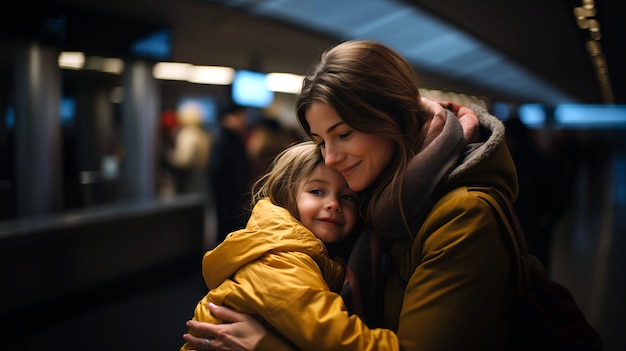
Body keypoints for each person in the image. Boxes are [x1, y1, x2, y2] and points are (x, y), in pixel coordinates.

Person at [184, 40, 520, 351]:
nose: (330, 158)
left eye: (343, 134)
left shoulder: (464, 214)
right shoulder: (380, 198)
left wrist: (266, 346)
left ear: (394, 118)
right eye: (320, 141)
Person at [182, 141, 404, 351]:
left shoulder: (311, 254)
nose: (334, 204)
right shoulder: (279, 260)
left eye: (347, 196)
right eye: (317, 191)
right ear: (287, 194)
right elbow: (335, 337)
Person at [207, 102, 253, 245]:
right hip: (228, 200)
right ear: (228, 118)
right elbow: (216, 172)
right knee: (226, 235)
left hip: (233, 199)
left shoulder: (233, 139)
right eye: (241, 116)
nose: (244, 120)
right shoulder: (224, 141)